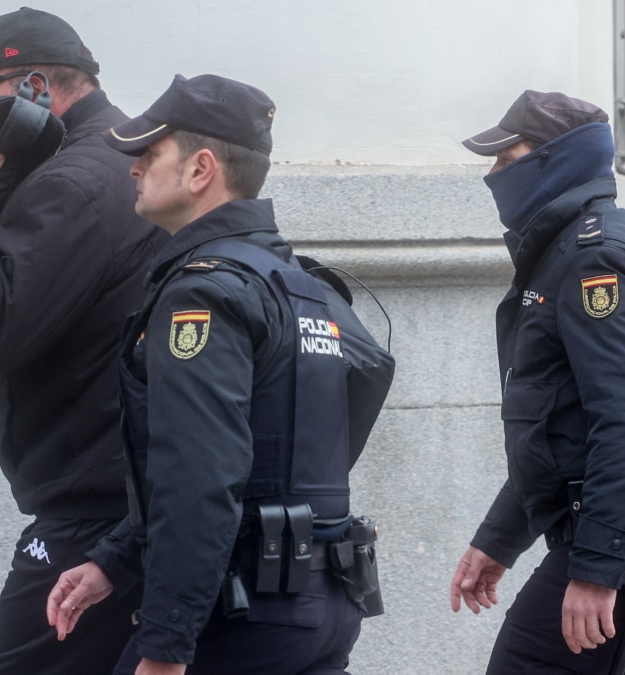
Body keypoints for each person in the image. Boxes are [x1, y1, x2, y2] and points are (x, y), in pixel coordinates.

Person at [44, 74, 391, 675]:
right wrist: (116, 560)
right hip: (322, 606)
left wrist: (165, 646)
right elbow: (294, 444)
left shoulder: (203, 296)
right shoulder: (299, 285)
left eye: (149, 154)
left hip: (242, 620)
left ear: (201, 169)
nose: (133, 169)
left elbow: (200, 477)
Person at [0, 8, 163, 674]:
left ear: (34, 88)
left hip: (92, 516)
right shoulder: (122, 160)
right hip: (128, 501)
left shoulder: (69, 183)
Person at [448, 90, 625, 674]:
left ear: (555, 159)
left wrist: (599, 570)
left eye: (506, 157)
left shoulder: (594, 260)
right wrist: (501, 537)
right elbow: (560, 432)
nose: (494, 176)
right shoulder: (587, 247)